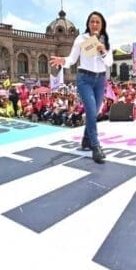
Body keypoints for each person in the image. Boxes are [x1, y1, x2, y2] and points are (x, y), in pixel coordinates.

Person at [49, 11, 113, 164]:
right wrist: (62, 61)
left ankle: (85, 140)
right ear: (88, 24)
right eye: (92, 21)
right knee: (91, 111)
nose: (95, 24)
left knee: (95, 112)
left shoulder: (106, 40)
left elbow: (109, 62)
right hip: (85, 78)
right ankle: (95, 146)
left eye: (98, 22)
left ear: (102, 24)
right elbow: (72, 59)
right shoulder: (81, 38)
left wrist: (102, 50)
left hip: (100, 79)